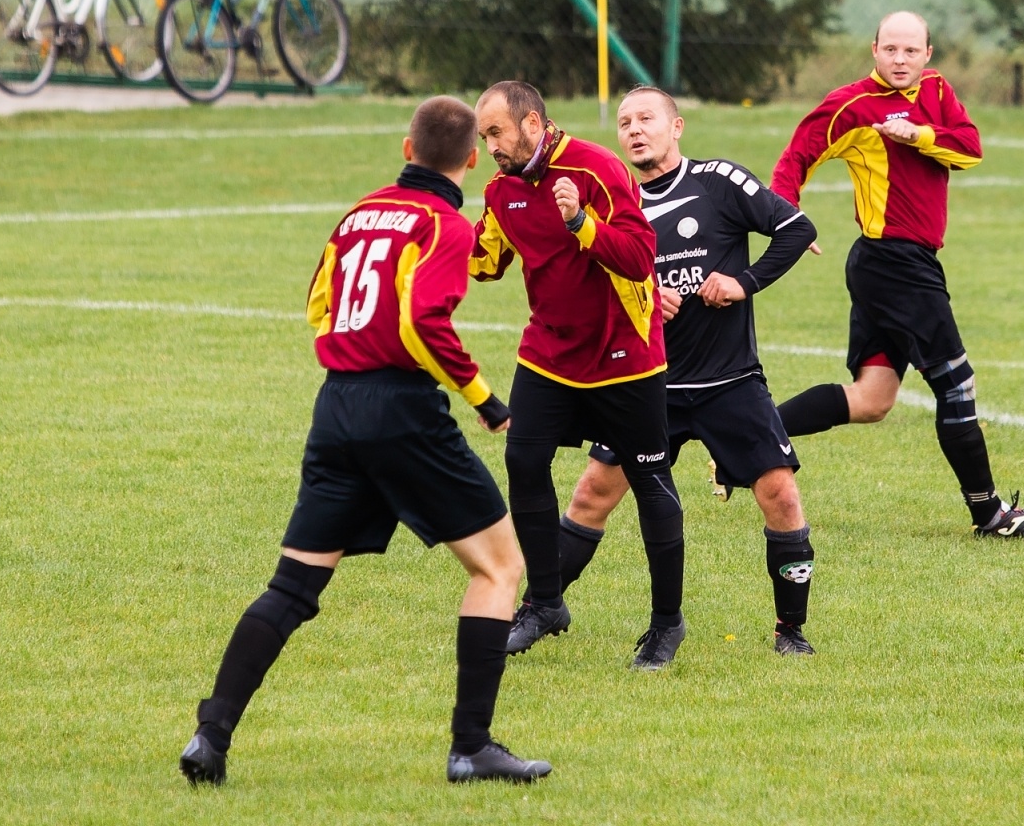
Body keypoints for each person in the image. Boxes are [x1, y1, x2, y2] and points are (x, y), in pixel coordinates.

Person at [179, 96, 551, 788]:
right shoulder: (447, 226)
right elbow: (421, 323)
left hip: (338, 406)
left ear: (406, 150)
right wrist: (485, 401)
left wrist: (350, 361)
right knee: (501, 568)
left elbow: (319, 301)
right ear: (471, 159)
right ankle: (471, 746)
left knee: (293, 585)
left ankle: (210, 735)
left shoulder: (359, 213)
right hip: (402, 412)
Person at [544, 85, 822, 655]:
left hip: (730, 380)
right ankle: (541, 607)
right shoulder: (613, 205)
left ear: (677, 127)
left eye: (647, 118)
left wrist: (743, 282)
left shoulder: (719, 181)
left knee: (781, 496)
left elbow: (797, 230)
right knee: (592, 493)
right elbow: (587, 286)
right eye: (625, 123)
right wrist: (641, 292)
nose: (635, 130)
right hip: (647, 383)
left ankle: (790, 632)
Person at [770, 11, 1024, 538]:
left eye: (910, 51)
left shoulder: (938, 91)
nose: (900, 60)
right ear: (873, 50)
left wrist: (920, 134)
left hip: (904, 263)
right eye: (890, 50)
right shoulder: (852, 106)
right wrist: (787, 218)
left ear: (928, 54)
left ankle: (746, 440)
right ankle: (990, 515)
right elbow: (796, 158)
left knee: (873, 398)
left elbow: (970, 149)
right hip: (891, 263)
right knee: (956, 383)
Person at [469, 80, 688, 671]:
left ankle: (667, 624)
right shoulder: (501, 189)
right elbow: (484, 264)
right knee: (523, 460)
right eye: (483, 136)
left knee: (650, 482)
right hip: (549, 354)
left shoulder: (596, 169)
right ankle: (545, 604)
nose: (490, 146)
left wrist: (580, 223)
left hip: (626, 355)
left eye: (497, 133)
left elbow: (641, 258)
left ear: (533, 125)